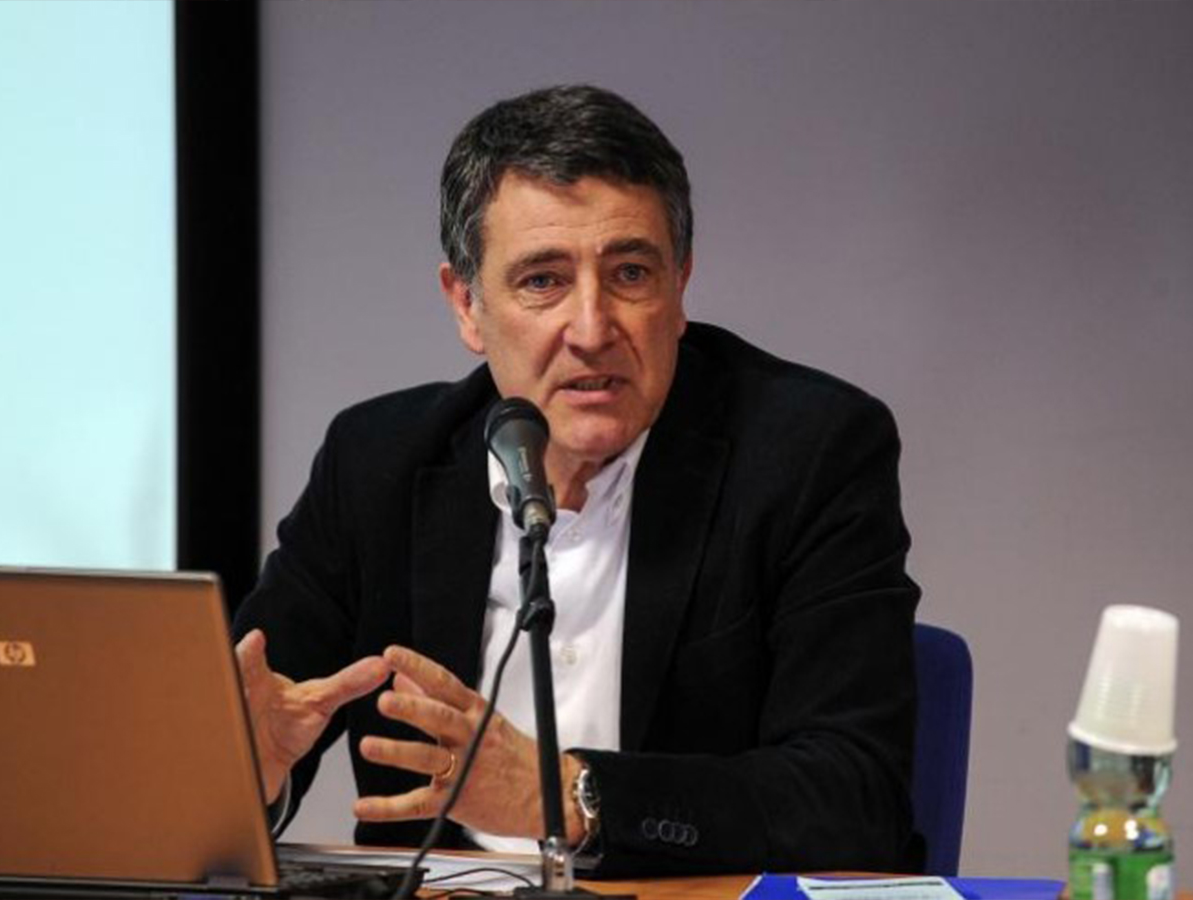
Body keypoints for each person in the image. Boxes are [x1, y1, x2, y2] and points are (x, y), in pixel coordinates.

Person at [233, 84, 922, 878]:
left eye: (630, 273)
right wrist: (246, 775)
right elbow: (252, 721)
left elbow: (853, 797)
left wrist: (568, 796)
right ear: (467, 305)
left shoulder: (807, 453)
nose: (592, 330)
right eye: (542, 280)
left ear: (680, 286)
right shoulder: (376, 463)